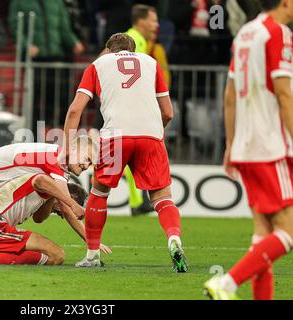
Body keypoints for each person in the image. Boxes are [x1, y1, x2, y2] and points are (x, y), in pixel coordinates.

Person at [63, 33, 188, 272]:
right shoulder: (152, 63)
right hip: (151, 136)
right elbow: (169, 113)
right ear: (132, 49)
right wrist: (152, 133)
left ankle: (92, 255)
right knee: (163, 198)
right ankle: (174, 240)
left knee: (99, 194)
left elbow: (74, 110)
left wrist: (69, 147)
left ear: (108, 50)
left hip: (115, 137)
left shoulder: (98, 65)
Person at [204, 0, 293, 300]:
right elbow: (283, 93)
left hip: (245, 144)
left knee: (262, 235)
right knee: (288, 232)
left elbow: (229, 95)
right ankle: (227, 282)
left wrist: (231, 143)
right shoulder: (278, 33)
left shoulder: (244, 34)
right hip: (271, 145)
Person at [8, 0, 85, 135]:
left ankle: (51, 134)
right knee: (35, 99)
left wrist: (73, 42)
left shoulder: (57, 2)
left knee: (55, 97)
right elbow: (15, 27)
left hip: (56, 58)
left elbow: (64, 27)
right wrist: (27, 46)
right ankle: (33, 133)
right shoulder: (19, 2)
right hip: (35, 60)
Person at [125, 4, 171, 215]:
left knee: (123, 152)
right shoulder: (135, 39)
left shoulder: (131, 37)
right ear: (141, 21)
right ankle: (137, 202)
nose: (156, 25)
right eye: (153, 20)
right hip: (124, 105)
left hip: (123, 103)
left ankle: (138, 202)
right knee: (119, 153)